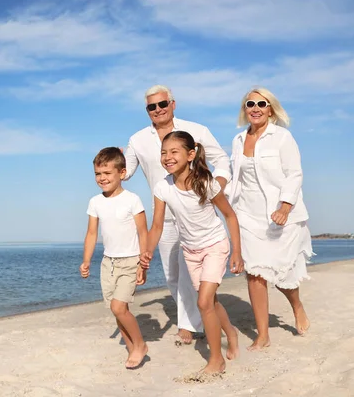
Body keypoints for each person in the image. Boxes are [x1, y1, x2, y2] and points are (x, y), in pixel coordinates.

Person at [124, 85, 231, 345]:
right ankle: (195, 320)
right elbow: (124, 172)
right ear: (147, 110)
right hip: (164, 215)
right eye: (152, 106)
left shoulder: (197, 131)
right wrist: (106, 168)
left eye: (163, 104)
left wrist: (213, 189)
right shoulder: (137, 140)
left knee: (189, 274)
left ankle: (189, 325)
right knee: (172, 275)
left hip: (196, 214)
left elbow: (223, 160)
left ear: (173, 104)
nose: (158, 110)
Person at [141, 131, 243, 374]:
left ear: (190, 154)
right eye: (164, 152)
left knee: (203, 302)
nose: (167, 157)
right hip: (190, 251)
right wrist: (146, 254)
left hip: (215, 246)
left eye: (174, 152)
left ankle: (216, 360)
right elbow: (156, 226)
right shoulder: (162, 187)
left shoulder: (206, 183)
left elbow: (229, 215)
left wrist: (237, 252)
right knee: (211, 303)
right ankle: (231, 332)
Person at [227, 87, 313, 351]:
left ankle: (296, 305)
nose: (255, 108)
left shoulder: (282, 138)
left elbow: (294, 174)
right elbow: (234, 179)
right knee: (255, 273)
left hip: (280, 215)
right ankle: (262, 334)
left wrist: (285, 207)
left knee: (283, 274)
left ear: (270, 109)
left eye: (261, 104)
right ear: (245, 109)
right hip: (248, 216)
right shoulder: (238, 140)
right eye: (249, 104)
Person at [80, 147, 149, 369]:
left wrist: (143, 263)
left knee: (120, 307)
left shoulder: (132, 199)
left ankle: (140, 345)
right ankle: (132, 349)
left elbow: (143, 232)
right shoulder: (95, 202)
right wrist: (86, 260)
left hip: (130, 261)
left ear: (122, 173)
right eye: (98, 174)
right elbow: (92, 233)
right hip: (107, 263)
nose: (102, 178)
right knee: (115, 309)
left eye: (107, 173)